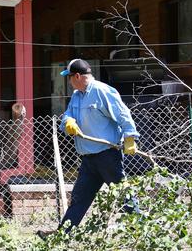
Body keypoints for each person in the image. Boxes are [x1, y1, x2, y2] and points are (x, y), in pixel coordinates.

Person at [59, 58, 139, 230]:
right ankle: (62, 235)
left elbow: (123, 114)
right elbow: (66, 115)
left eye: (69, 77)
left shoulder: (103, 91)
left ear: (78, 76)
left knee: (123, 195)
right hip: (88, 159)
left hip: (107, 156)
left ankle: (141, 231)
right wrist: (67, 122)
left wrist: (130, 137)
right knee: (79, 199)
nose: (69, 81)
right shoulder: (76, 96)